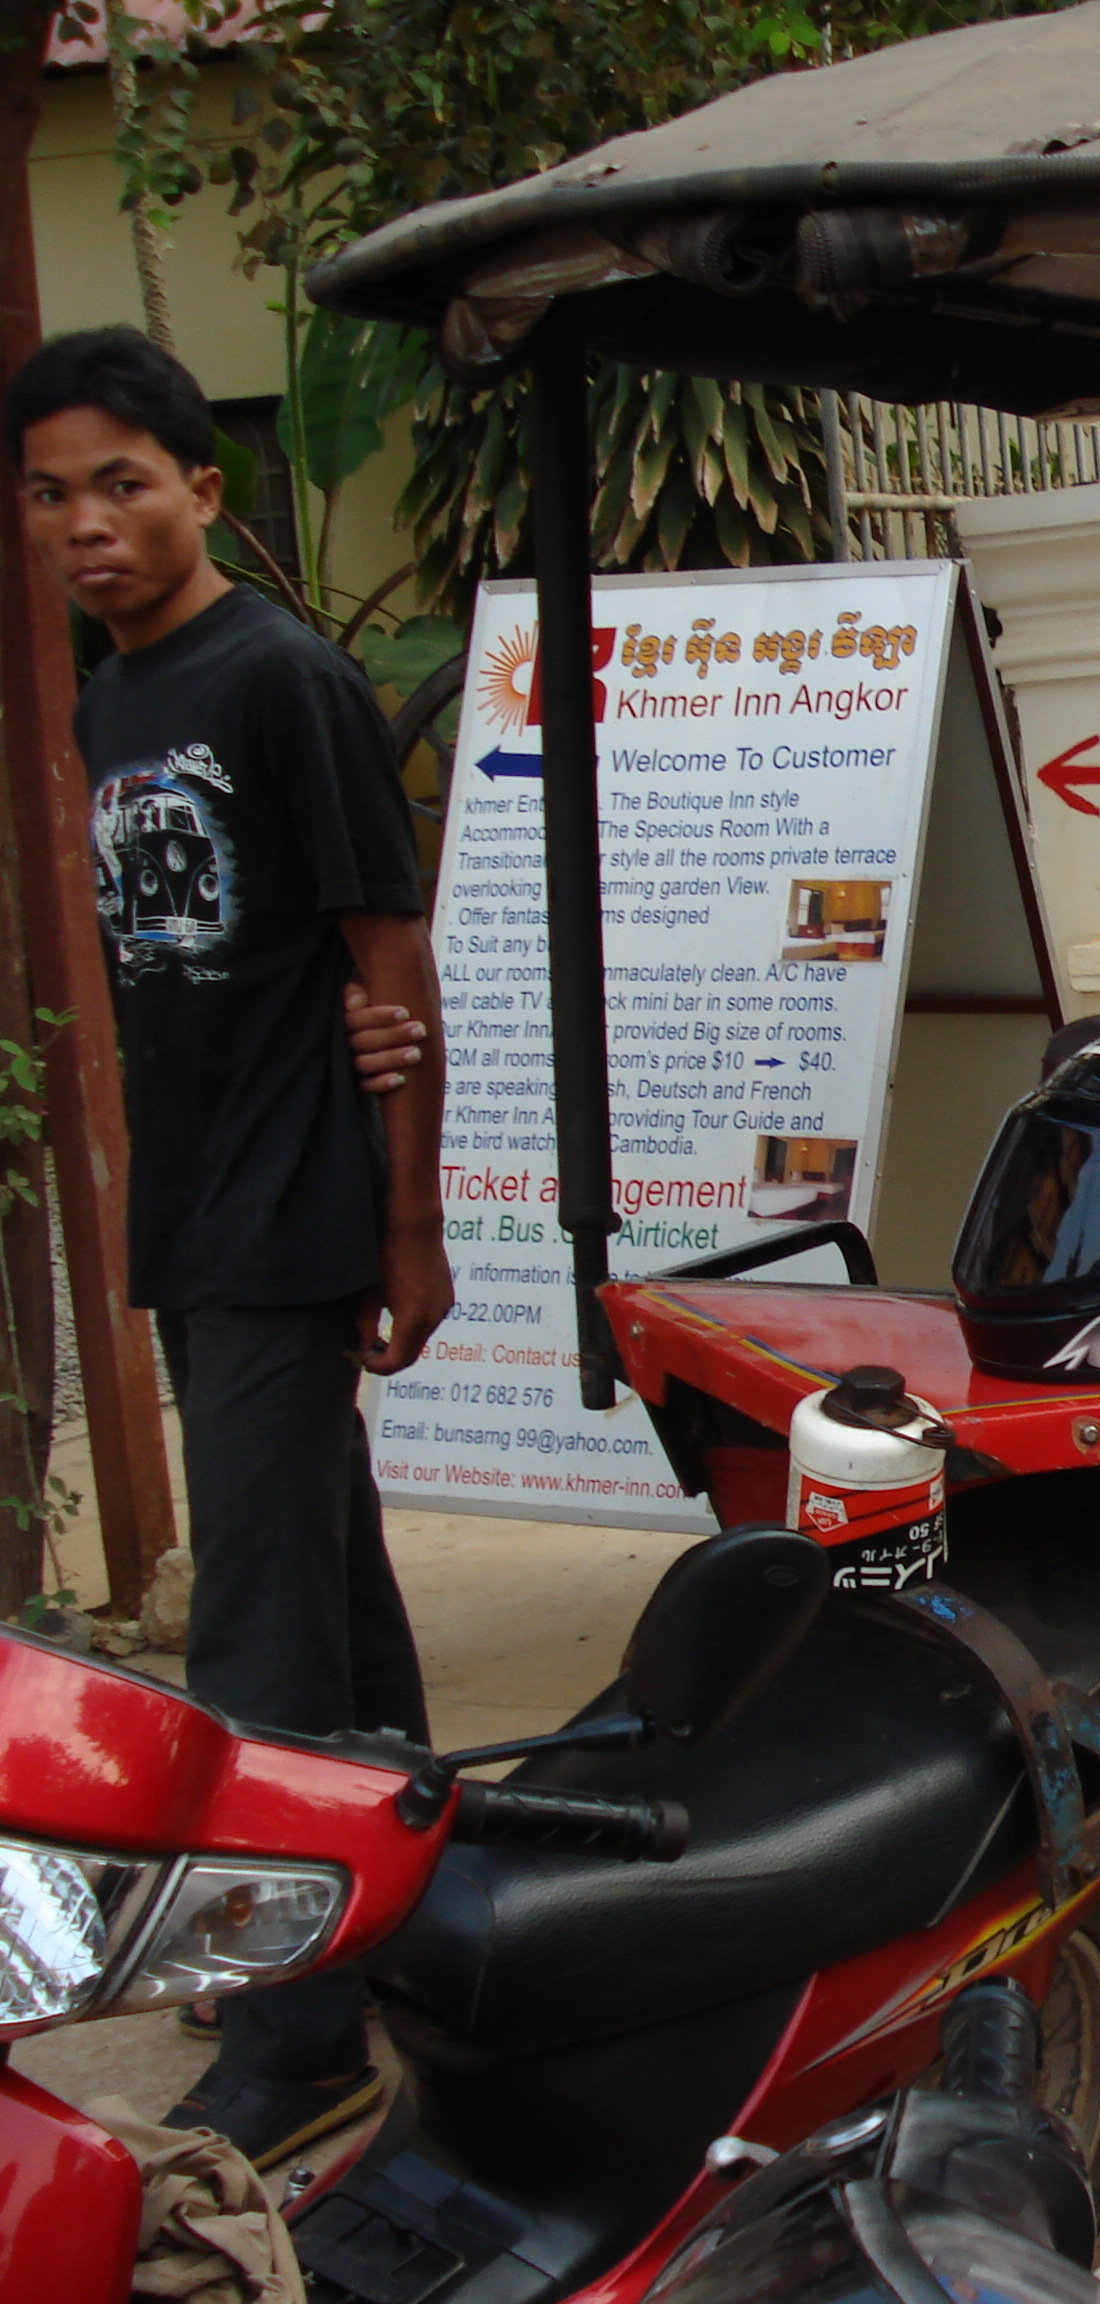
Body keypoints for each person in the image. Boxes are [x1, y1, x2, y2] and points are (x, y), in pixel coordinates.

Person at [6, 329, 452, 2164]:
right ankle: (435, 1916)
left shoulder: (284, 681)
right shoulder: (119, 694)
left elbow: (391, 975)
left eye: (124, 480)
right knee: (331, 1598)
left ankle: (298, 2035)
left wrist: (411, 1225)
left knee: (258, 1652)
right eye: (50, 494)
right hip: (197, 1209)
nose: (88, 522)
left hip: (290, 1210)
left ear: (206, 486)